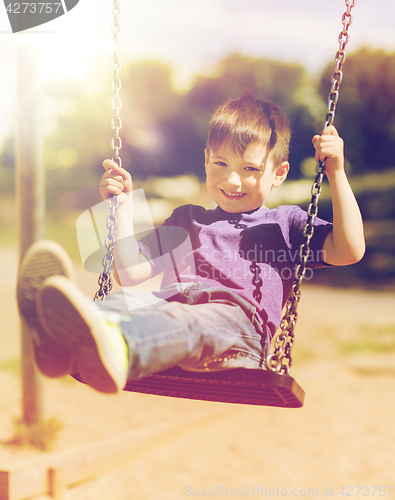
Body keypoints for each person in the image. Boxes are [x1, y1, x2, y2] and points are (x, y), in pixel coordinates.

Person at [16, 93, 365, 394]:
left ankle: (116, 349)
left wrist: (336, 173)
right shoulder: (187, 219)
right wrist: (122, 208)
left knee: (189, 321)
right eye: (221, 163)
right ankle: (60, 337)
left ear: (279, 173)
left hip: (237, 334)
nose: (232, 179)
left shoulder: (285, 224)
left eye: (250, 169)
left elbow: (349, 250)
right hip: (174, 315)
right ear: (205, 160)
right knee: (129, 300)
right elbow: (130, 272)